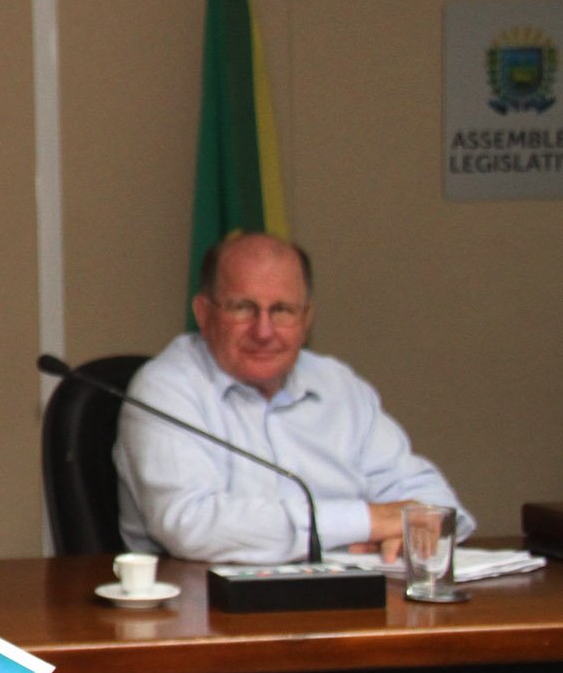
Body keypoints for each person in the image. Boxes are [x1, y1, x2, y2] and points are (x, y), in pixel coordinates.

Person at [112, 232, 474, 564]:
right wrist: (367, 522)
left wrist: (407, 532)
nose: (263, 331)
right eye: (242, 308)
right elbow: (191, 524)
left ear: (307, 318)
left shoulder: (338, 386)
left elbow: (435, 503)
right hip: (209, 603)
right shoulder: (165, 390)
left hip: (348, 597)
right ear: (204, 314)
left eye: (282, 310)